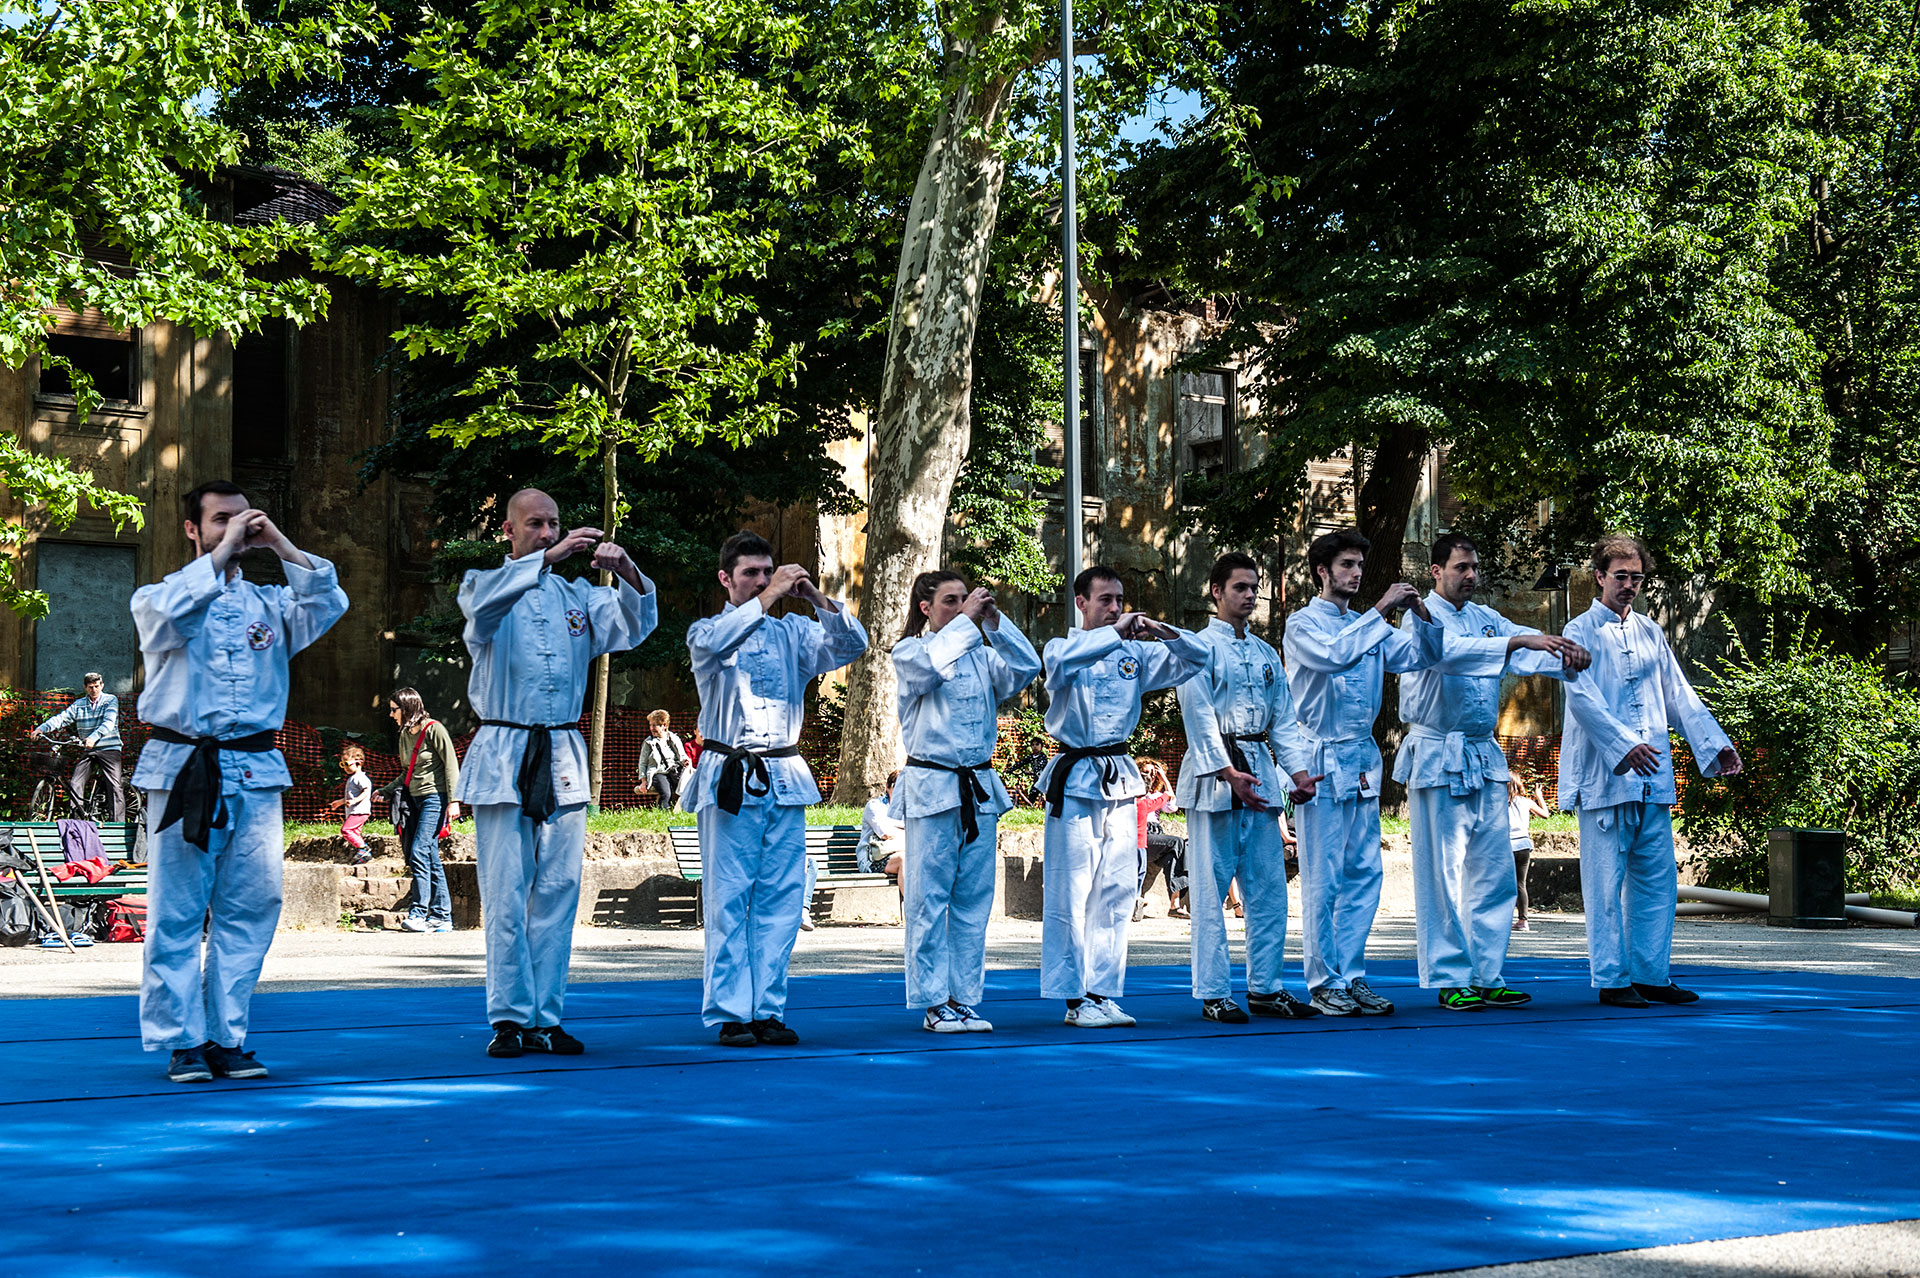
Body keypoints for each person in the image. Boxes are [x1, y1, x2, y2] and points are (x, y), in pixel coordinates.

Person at [131, 480, 348, 1083]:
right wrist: (223, 552)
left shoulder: (272, 606)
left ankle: (227, 1035)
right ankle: (182, 1040)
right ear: (192, 530)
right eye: (218, 520)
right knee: (178, 909)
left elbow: (329, 601)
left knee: (252, 905)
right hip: (183, 770)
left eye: (240, 519)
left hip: (254, 769)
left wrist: (276, 541)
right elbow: (172, 613)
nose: (233, 528)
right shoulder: (160, 598)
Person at [455, 489, 656, 1059]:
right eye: (536, 524)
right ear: (508, 530)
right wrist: (545, 559)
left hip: (563, 753)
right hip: (504, 751)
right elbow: (482, 610)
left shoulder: (581, 598)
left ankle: (546, 1017)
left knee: (560, 892)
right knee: (505, 892)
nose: (548, 533)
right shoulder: (482, 584)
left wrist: (627, 570)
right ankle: (509, 1019)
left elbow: (635, 625)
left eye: (554, 524)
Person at [687, 531, 868, 1047]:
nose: (764, 581)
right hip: (731, 776)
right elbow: (721, 643)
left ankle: (767, 1007)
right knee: (728, 898)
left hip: (784, 776)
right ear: (726, 578)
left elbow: (853, 645)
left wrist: (815, 599)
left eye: (768, 573)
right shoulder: (708, 631)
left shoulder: (794, 631)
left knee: (781, 899)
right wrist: (766, 600)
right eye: (751, 573)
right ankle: (730, 1010)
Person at [1396, 533, 1589, 1011]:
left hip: (1484, 755)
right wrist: (1518, 638)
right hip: (1439, 754)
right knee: (1442, 872)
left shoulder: (1486, 620)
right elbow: (1448, 653)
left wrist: (1567, 656)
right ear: (1435, 571)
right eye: (1461, 567)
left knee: (1496, 872)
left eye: (1474, 567)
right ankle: (1448, 976)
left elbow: (1524, 650)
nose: (1470, 575)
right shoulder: (1419, 618)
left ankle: (1488, 973)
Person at [1560, 534, 1741, 1007]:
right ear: (1599, 576)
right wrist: (1624, 745)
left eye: (1636, 577)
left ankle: (1652, 975)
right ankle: (1613, 980)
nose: (1629, 585)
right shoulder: (1578, 632)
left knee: (1657, 881)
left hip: (1653, 777)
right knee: (1604, 886)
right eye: (1620, 576)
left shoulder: (1650, 631)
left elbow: (1678, 694)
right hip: (1605, 780)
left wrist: (1713, 745)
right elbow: (1582, 700)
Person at [1283, 528, 1443, 1018]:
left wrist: (1422, 617)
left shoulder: (1369, 626)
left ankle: (1351, 975)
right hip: (1321, 757)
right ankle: (1322, 981)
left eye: (1358, 566)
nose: (1354, 573)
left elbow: (1423, 656)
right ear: (1322, 571)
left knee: (1363, 875)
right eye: (1346, 565)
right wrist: (1380, 610)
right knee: (1323, 878)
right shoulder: (1302, 625)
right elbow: (1335, 657)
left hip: (1361, 761)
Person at [1040, 565, 1208, 1028]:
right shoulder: (1063, 648)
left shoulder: (1134, 655)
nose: (1115, 607)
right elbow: (1059, 667)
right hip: (1075, 777)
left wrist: (1159, 629)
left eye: (1119, 600)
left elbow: (1197, 658)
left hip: (1119, 777)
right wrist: (1115, 632)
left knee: (1116, 889)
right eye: (1105, 600)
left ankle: (1102, 991)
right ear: (1081, 603)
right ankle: (1074, 998)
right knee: (1072, 890)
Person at [1178, 552, 1326, 1023]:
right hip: (1215, 773)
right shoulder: (1198, 648)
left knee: (1268, 889)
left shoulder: (1264, 655)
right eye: (1240, 587)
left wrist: (1299, 774)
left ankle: (1266, 986)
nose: (1249, 595)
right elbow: (1198, 717)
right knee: (1210, 887)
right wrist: (1225, 771)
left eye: (1254, 587)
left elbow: (1284, 719)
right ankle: (1214, 991)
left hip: (1259, 768)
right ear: (1216, 591)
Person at [892, 570, 1043, 1033]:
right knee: (928, 899)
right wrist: (967, 623)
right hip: (933, 787)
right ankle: (934, 1002)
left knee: (974, 901)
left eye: (966, 600)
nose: (962, 608)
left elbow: (1025, 668)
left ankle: (962, 997)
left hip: (978, 786)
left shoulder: (978, 654)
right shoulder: (911, 652)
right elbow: (930, 667)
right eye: (950, 601)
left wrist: (995, 622)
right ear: (925, 607)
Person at [382, 687, 460, 934]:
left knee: (418, 850)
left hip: (435, 798)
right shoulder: (405, 734)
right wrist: (384, 790)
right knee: (430, 855)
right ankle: (442, 916)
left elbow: (451, 765)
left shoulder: (434, 729)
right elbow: (408, 771)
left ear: (406, 708)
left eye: (394, 709)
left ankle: (418, 913)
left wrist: (455, 800)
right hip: (413, 800)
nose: (391, 714)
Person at [30, 672, 125, 819]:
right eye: (91, 687)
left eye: (97, 686)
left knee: (114, 785)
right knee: (75, 783)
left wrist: (93, 737)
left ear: (102, 686)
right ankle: (77, 821)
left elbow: (109, 723)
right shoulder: (79, 704)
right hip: (88, 749)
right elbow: (62, 718)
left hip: (109, 748)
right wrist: (42, 728)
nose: (94, 690)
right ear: (85, 687)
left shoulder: (110, 700)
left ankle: (118, 824)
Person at [1134, 760, 1187, 921]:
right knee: (1177, 842)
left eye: (1152, 773)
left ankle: (1174, 904)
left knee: (1172, 857)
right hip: (1145, 833)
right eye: (1145, 772)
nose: (1149, 775)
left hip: (1157, 837)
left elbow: (1173, 807)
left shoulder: (1156, 795)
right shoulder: (1137, 795)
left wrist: (1164, 778)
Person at [1508, 775, 1551, 931]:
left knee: (1505, 884)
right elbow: (1545, 814)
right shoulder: (1526, 802)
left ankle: (1503, 919)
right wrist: (1539, 797)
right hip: (1524, 845)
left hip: (1508, 845)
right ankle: (1523, 920)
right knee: (1521, 884)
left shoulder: (1500, 802)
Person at [858, 769, 906, 881]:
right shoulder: (875, 806)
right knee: (905, 859)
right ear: (888, 786)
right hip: (873, 861)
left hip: (903, 856)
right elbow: (885, 833)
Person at [329, 745, 373, 863]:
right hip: (354, 810)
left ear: (359, 762)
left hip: (359, 810)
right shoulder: (352, 778)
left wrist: (354, 801)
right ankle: (363, 855)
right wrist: (340, 802)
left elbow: (366, 791)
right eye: (342, 765)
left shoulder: (360, 778)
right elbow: (350, 796)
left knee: (346, 830)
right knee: (354, 832)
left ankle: (364, 848)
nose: (345, 768)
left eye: (347, 764)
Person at [639, 709, 688, 807]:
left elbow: (682, 755)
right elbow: (642, 763)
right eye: (650, 725)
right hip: (658, 772)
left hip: (674, 771)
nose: (652, 728)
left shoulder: (674, 739)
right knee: (666, 794)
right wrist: (643, 781)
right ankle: (662, 816)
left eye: (655, 725)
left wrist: (685, 762)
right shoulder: (648, 743)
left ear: (664, 725)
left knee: (685, 791)